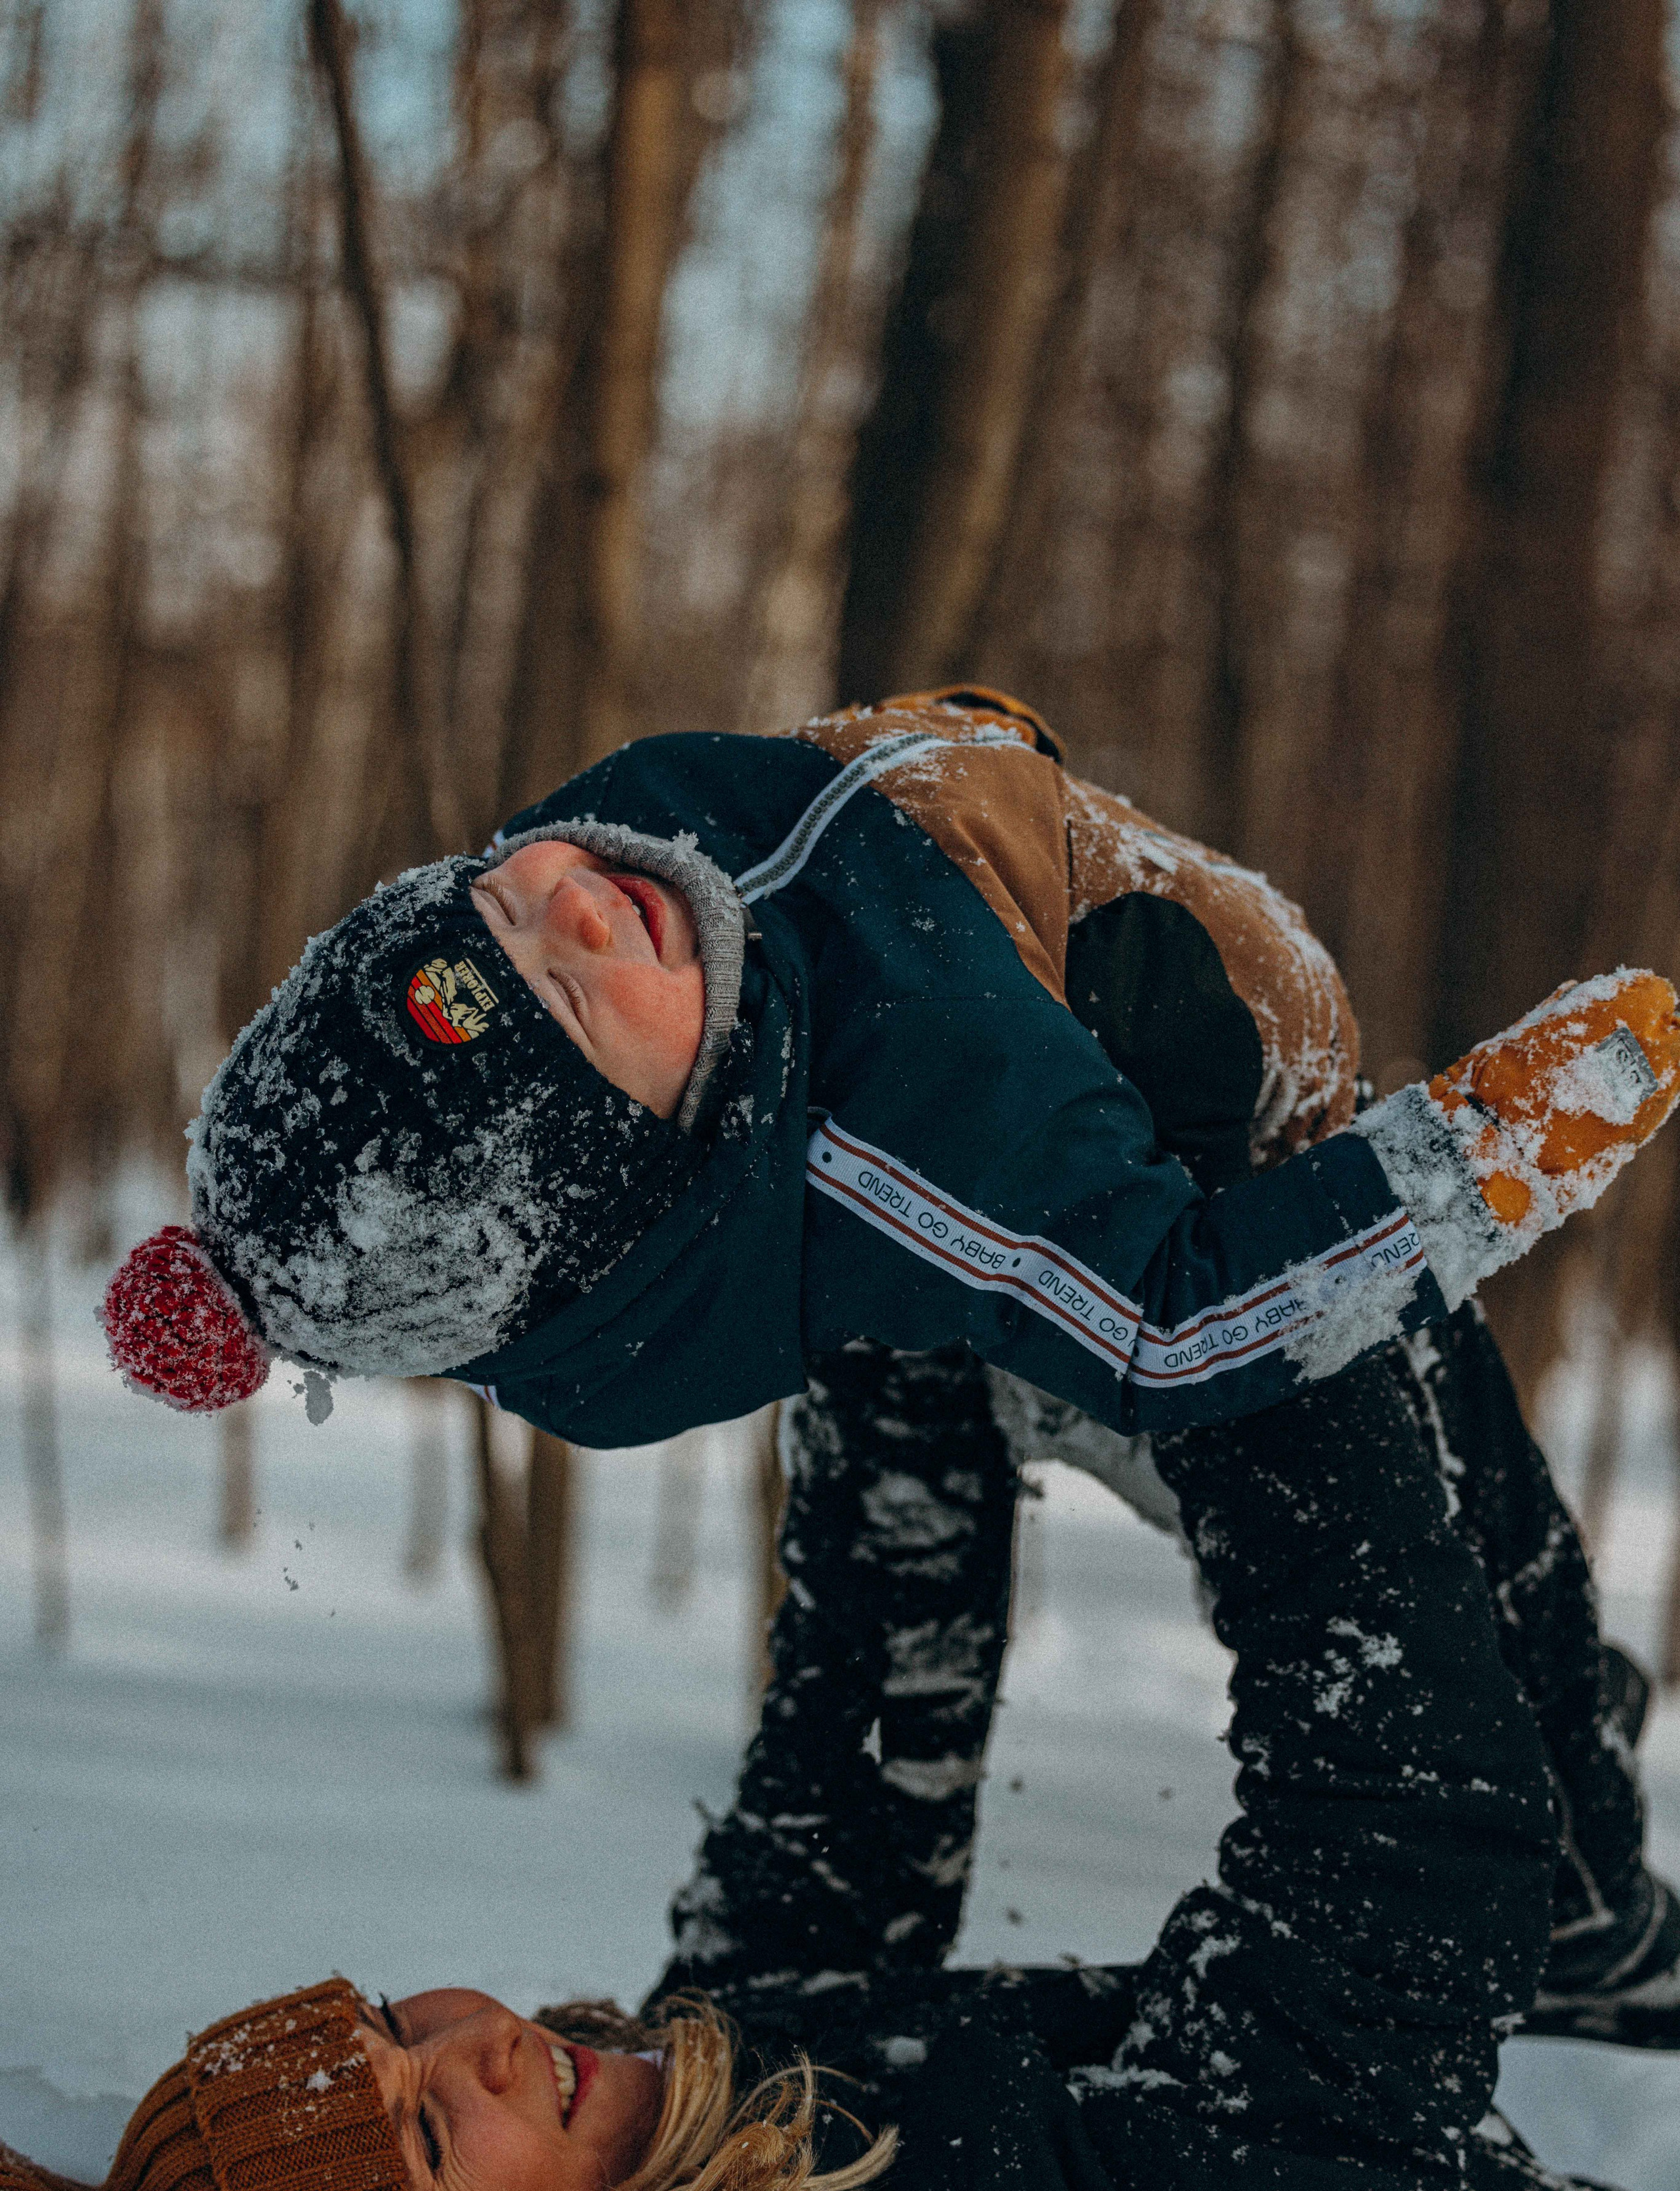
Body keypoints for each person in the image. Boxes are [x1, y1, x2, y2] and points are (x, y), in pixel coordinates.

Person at [96, 682, 1680, 2030]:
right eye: (577, 1007)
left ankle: (798, 1976)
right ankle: (1581, 1905)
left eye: (502, 906)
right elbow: (1173, 1322)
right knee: (1408, 1511)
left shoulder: (633, 889)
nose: (578, 907)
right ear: (645, 1175)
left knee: (914, 1520)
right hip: (1211, 1189)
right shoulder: (910, 1144)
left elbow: (642, 882)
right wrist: (1478, 1156)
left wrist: (973, 745)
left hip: (957, 1092)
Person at [9, 1345, 1680, 2191]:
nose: (487, 2040)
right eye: (433, 2126)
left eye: (396, 2017)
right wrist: (1263, 1353)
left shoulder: (712, 2102)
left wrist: (892, 1285)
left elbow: (869, 1718)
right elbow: (1402, 1878)